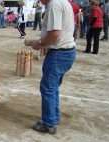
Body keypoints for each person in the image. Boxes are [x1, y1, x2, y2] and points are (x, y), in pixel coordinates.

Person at [30, 0, 76, 134]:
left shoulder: (54, 4)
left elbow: (55, 33)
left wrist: (39, 42)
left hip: (59, 53)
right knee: (53, 87)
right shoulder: (63, 2)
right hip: (66, 52)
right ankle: (53, 117)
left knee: (48, 88)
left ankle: (49, 124)